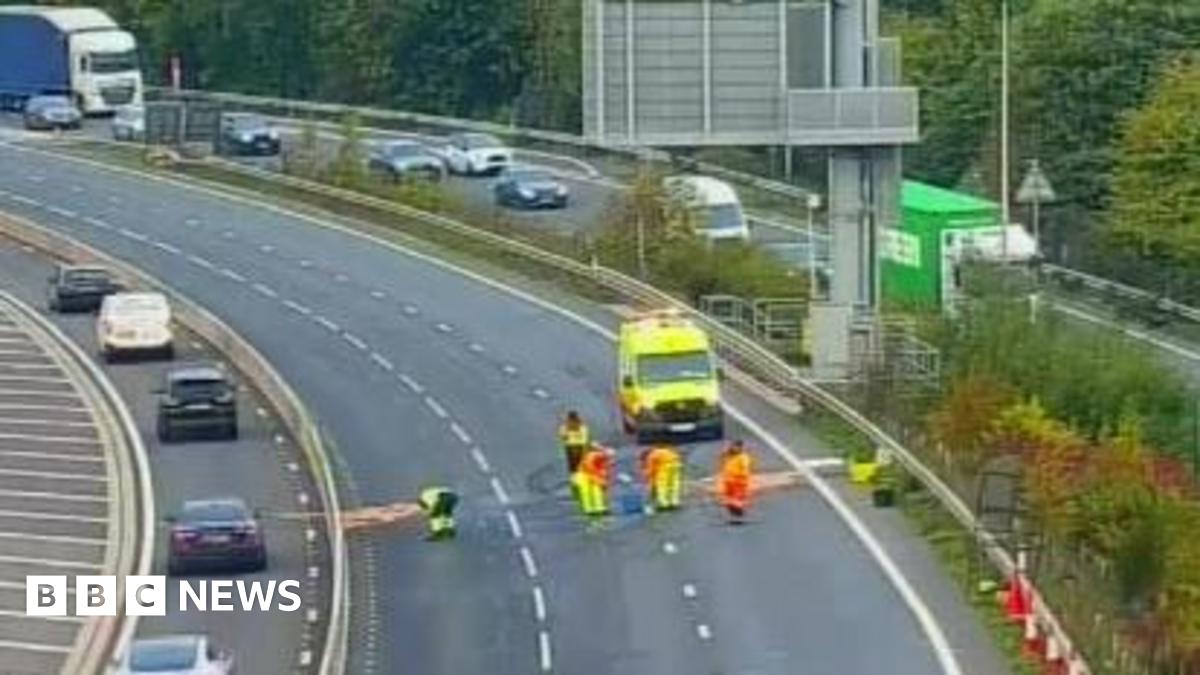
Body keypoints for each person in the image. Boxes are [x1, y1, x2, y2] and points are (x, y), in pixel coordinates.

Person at [716, 441, 753, 523]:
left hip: (738, 483)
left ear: (740, 448)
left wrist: (741, 477)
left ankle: (739, 515)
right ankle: (734, 515)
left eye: (736, 447)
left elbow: (745, 469)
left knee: (736, 501)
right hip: (729, 482)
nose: (734, 448)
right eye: (733, 447)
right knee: (729, 501)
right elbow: (721, 458)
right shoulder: (729, 455)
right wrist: (725, 452)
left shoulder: (743, 457)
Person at [573, 444, 613, 517]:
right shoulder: (592, 456)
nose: (610, 459)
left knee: (597, 492)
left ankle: (599, 508)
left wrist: (604, 480)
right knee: (586, 493)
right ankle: (589, 509)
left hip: (592, 475)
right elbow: (590, 468)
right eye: (608, 456)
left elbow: (605, 472)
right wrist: (600, 478)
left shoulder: (604, 460)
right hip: (584, 475)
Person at [641, 444, 684, 511]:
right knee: (673, 484)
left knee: (662, 486)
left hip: (665, 466)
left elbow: (651, 470)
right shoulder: (661, 451)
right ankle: (674, 502)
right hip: (676, 463)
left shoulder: (651, 456)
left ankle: (663, 504)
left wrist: (647, 478)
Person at [557, 410, 591, 476]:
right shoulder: (580, 424)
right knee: (578, 460)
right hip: (579, 445)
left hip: (570, 445)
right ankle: (578, 474)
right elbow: (585, 433)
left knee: (572, 462)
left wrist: (564, 436)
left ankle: (574, 474)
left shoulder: (567, 425)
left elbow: (562, 435)